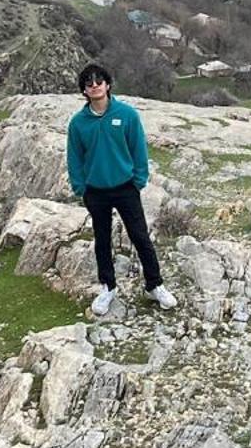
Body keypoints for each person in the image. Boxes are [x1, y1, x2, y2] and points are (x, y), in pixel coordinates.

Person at [66, 63, 176, 318]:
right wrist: (80, 187)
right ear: (84, 89)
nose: (94, 86)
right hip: (95, 191)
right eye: (89, 83)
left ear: (107, 84)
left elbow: (138, 148)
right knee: (102, 240)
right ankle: (108, 287)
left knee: (140, 236)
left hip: (126, 187)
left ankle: (154, 285)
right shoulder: (78, 123)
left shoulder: (126, 115)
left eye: (98, 81)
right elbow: (75, 158)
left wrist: (139, 179)